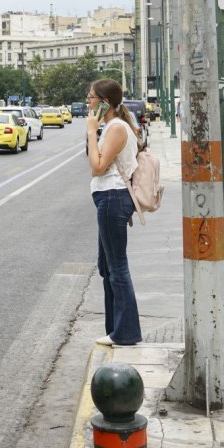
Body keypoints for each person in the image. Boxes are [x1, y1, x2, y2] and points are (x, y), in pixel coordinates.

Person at [85, 77, 142, 347]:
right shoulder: (112, 126)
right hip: (109, 198)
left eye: (91, 98)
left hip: (113, 197)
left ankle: (125, 332)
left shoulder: (116, 128)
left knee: (117, 267)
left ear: (104, 103)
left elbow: (97, 167)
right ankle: (114, 328)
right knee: (107, 266)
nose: (88, 102)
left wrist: (90, 131)